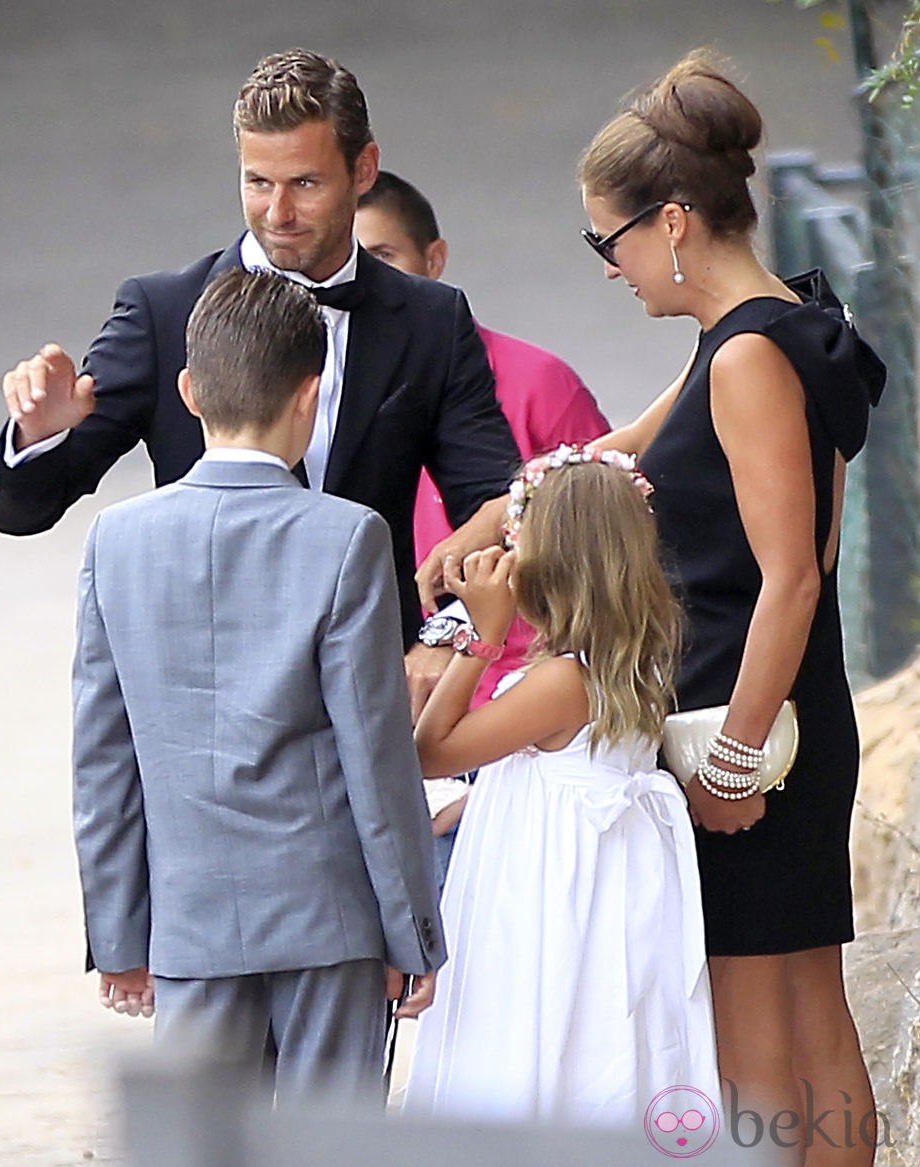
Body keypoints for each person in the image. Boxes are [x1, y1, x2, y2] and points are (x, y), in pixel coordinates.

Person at [578, 51, 885, 1163]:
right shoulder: (786, 325)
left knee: (755, 1034)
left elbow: (791, 574)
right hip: (783, 717)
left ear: (667, 223)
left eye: (604, 243)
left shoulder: (748, 354)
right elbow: (619, 453)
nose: (607, 269)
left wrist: (730, 764)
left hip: (748, 730)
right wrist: (498, 515)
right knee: (806, 1009)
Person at [0, 48, 518, 665]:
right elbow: (21, 513)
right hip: (202, 681)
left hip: (372, 678)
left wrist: (444, 637)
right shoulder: (164, 312)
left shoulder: (430, 320)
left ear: (364, 168)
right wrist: (37, 437)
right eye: (258, 183)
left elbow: (493, 505)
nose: (278, 214)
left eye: (305, 184)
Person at [72, 267, 444, 1103]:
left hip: (189, 915)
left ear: (187, 390)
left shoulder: (115, 541)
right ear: (312, 396)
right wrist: (411, 928)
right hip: (330, 917)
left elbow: (103, 760)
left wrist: (117, 931)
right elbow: (376, 753)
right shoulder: (347, 537)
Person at [402, 450, 720, 1126]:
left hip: (553, 905)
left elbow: (427, 751)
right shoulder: (627, 661)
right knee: (609, 1041)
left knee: (552, 1047)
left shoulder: (561, 681)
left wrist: (481, 635)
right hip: (610, 889)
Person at [356, 170, 610, 882]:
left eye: (381, 260)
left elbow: (607, 553)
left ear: (434, 262)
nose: (361, 286)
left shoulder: (537, 383)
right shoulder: (316, 393)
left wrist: (451, 639)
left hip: (521, 721)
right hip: (384, 721)